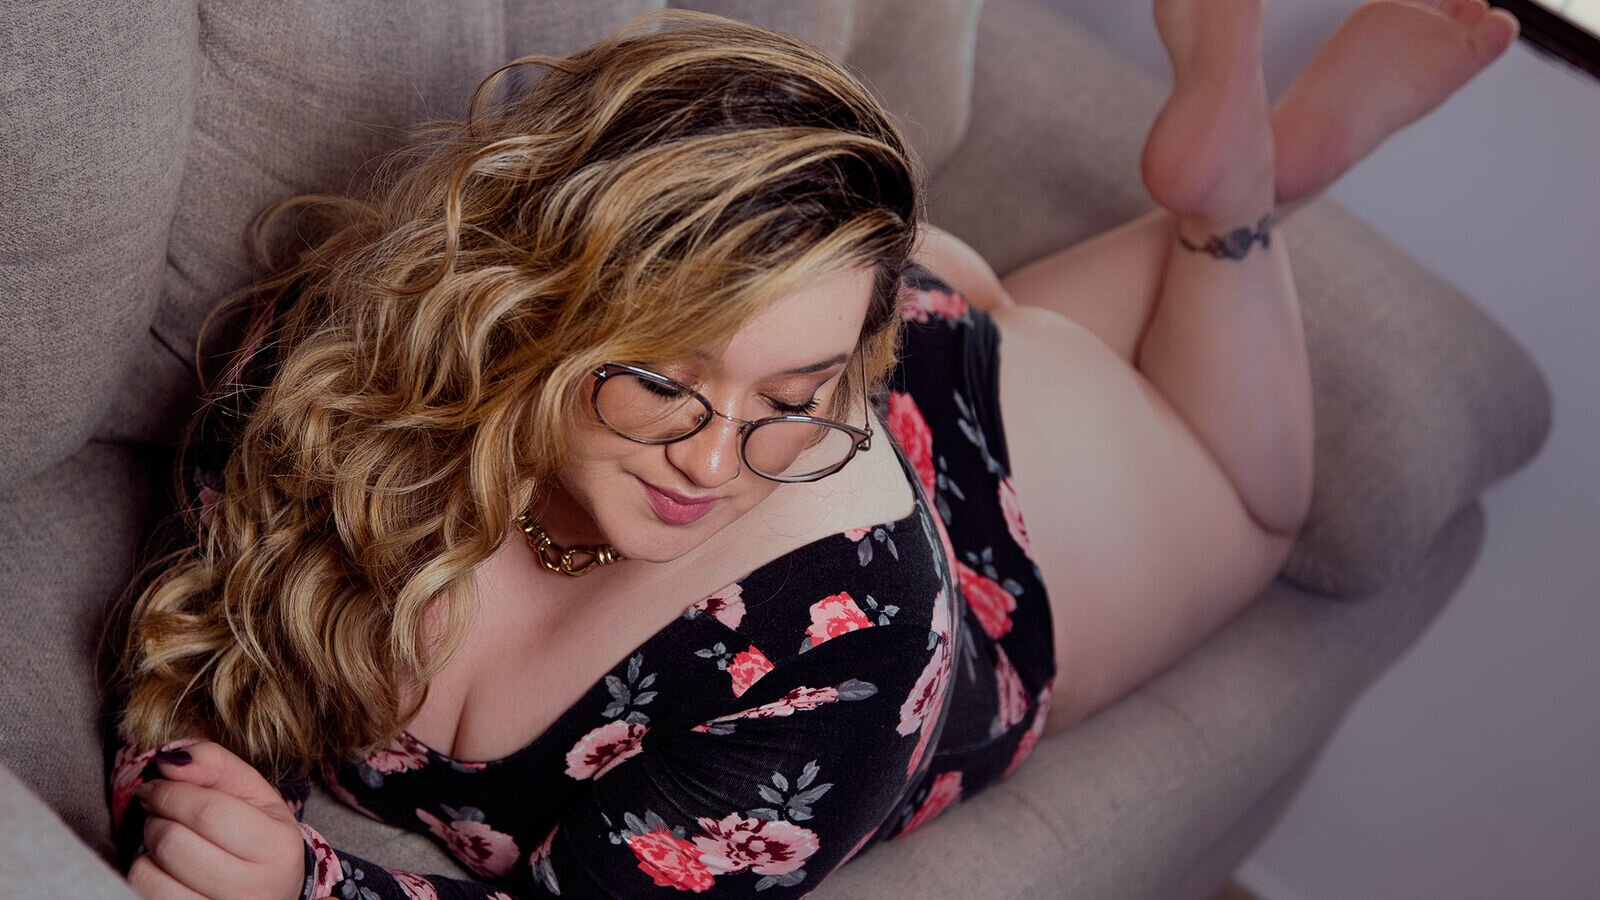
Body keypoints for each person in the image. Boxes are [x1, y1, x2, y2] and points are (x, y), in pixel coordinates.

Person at [100, 2, 1517, 898]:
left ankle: (1239, 200)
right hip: (823, 327)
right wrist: (189, 788)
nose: (711, 463)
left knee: (1259, 503)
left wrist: (308, 887)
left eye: (785, 403)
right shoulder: (322, 371)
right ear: (522, 292)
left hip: (993, 522)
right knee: (1036, 334)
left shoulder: (864, 641)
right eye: (657, 383)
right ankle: (1236, 185)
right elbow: (194, 651)